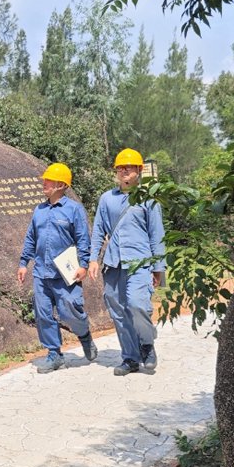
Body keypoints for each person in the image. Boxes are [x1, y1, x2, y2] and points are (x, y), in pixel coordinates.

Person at [89, 148, 166, 376]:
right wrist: (93, 259)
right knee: (118, 310)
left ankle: (146, 343)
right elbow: (98, 231)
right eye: (120, 168)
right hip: (113, 263)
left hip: (140, 262)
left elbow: (157, 234)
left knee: (136, 304)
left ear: (139, 171)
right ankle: (130, 358)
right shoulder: (107, 199)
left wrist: (158, 267)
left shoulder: (149, 200)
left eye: (129, 168)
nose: (124, 172)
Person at [17, 162, 99, 374]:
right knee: (43, 314)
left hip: (66, 273)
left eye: (48, 180)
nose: (44, 184)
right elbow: (31, 238)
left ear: (61, 184)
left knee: (69, 310)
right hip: (41, 272)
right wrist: (24, 263)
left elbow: (83, 239)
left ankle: (84, 335)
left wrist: (83, 265)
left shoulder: (74, 209)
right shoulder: (40, 210)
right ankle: (54, 354)